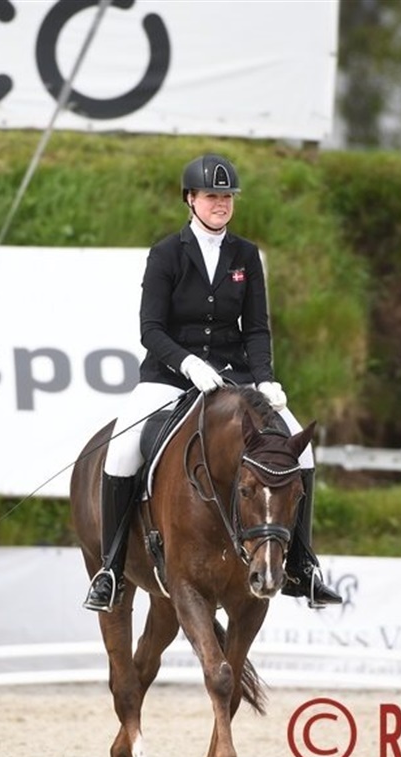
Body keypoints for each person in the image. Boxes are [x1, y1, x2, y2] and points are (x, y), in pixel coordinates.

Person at [83, 154, 342, 613]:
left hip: (234, 377)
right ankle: (111, 568)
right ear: (190, 199)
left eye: (227, 197)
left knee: (301, 452)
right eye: (211, 196)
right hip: (169, 376)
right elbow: (151, 330)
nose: (221, 204)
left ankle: (303, 565)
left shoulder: (246, 255)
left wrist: (265, 378)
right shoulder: (167, 253)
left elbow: (256, 328)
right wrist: (187, 364)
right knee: (122, 451)